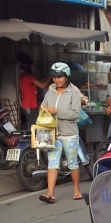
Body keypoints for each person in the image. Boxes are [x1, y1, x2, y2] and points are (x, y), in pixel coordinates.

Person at [38, 63, 82, 204]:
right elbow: (43, 106)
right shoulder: (50, 91)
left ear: (67, 77)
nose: (56, 80)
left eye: (60, 77)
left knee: (72, 163)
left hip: (70, 134)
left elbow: (75, 114)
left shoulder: (73, 94)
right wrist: (43, 109)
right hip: (54, 134)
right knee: (53, 163)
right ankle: (50, 193)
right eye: (54, 77)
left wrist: (57, 111)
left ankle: (76, 190)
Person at [17, 52, 50, 130]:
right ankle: (34, 140)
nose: (34, 67)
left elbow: (38, 82)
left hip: (26, 105)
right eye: (33, 65)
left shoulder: (23, 76)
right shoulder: (29, 77)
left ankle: (32, 139)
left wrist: (48, 77)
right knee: (35, 126)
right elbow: (43, 86)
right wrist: (50, 78)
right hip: (30, 106)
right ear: (29, 67)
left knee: (31, 124)